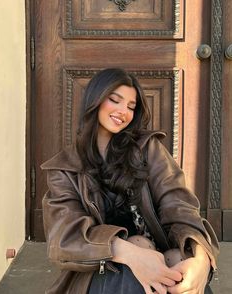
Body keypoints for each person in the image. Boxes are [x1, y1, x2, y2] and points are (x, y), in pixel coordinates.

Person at [41, 68, 219, 294]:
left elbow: (179, 206)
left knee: (179, 262)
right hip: (102, 269)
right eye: (114, 100)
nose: (123, 111)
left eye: (131, 106)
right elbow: (65, 237)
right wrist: (130, 253)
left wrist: (201, 256)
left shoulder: (148, 149)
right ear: (94, 100)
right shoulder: (64, 168)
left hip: (159, 256)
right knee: (136, 257)